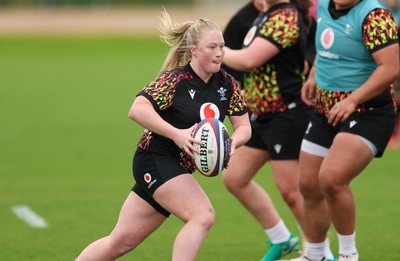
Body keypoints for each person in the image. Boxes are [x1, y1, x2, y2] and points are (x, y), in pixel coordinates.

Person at [75, 9, 252, 261]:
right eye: (212, 47)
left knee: (120, 242)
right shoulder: (175, 80)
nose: (219, 52)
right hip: (156, 157)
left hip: (174, 167)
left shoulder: (227, 84)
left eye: (222, 46)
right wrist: (177, 134)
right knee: (202, 215)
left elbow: (244, 127)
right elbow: (137, 110)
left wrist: (231, 143)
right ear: (193, 50)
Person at [222, 1, 336, 261]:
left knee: (293, 192)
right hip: (262, 115)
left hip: (287, 115)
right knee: (235, 178)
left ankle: (321, 254)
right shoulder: (263, 14)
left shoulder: (286, 16)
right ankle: (282, 238)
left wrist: (215, 50)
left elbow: (250, 59)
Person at [287, 0, 399, 260]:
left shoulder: (375, 16)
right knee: (309, 185)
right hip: (326, 110)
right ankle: (316, 254)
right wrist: (314, 75)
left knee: (332, 179)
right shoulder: (324, 6)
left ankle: (349, 255)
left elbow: (391, 69)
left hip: (369, 111)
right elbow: (326, 49)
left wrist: (353, 100)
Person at [222, 0, 267, 88]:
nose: (263, 2)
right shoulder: (241, 19)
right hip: (247, 85)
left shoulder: (284, 17)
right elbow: (248, 61)